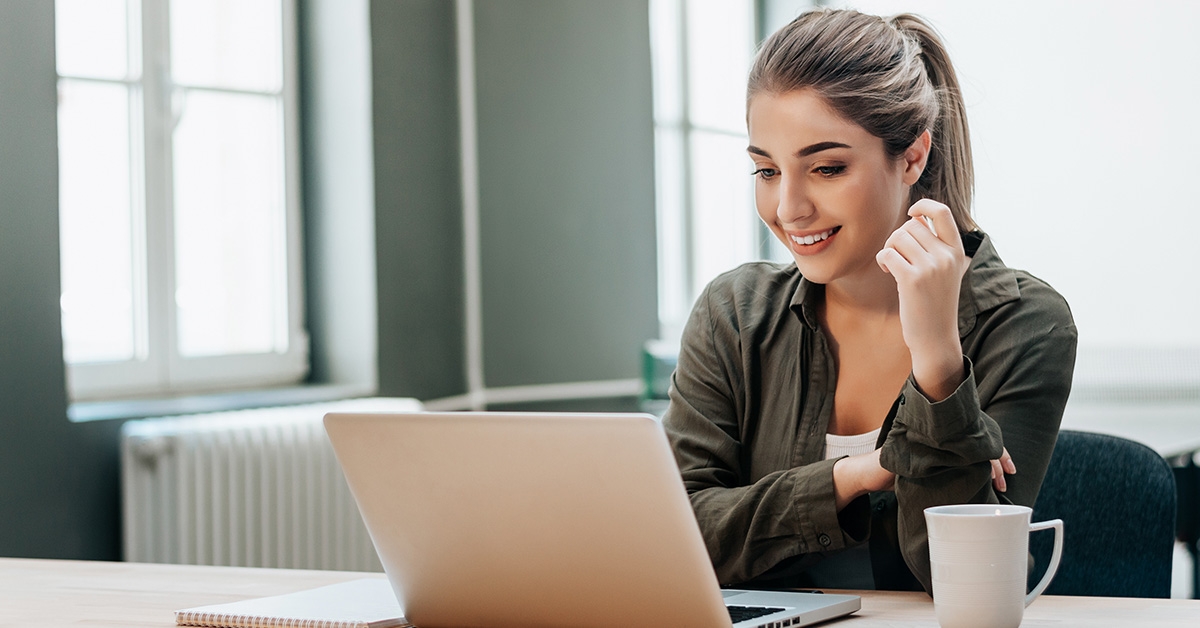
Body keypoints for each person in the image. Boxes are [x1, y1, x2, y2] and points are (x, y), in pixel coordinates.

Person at [661, 8, 1077, 594]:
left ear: (911, 157)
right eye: (767, 170)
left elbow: (965, 579)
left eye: (827, 168)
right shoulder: (734, 314)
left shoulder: (1026, 324)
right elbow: (676, 538)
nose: (788, 209)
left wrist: (938, 362)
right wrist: (861, 473)